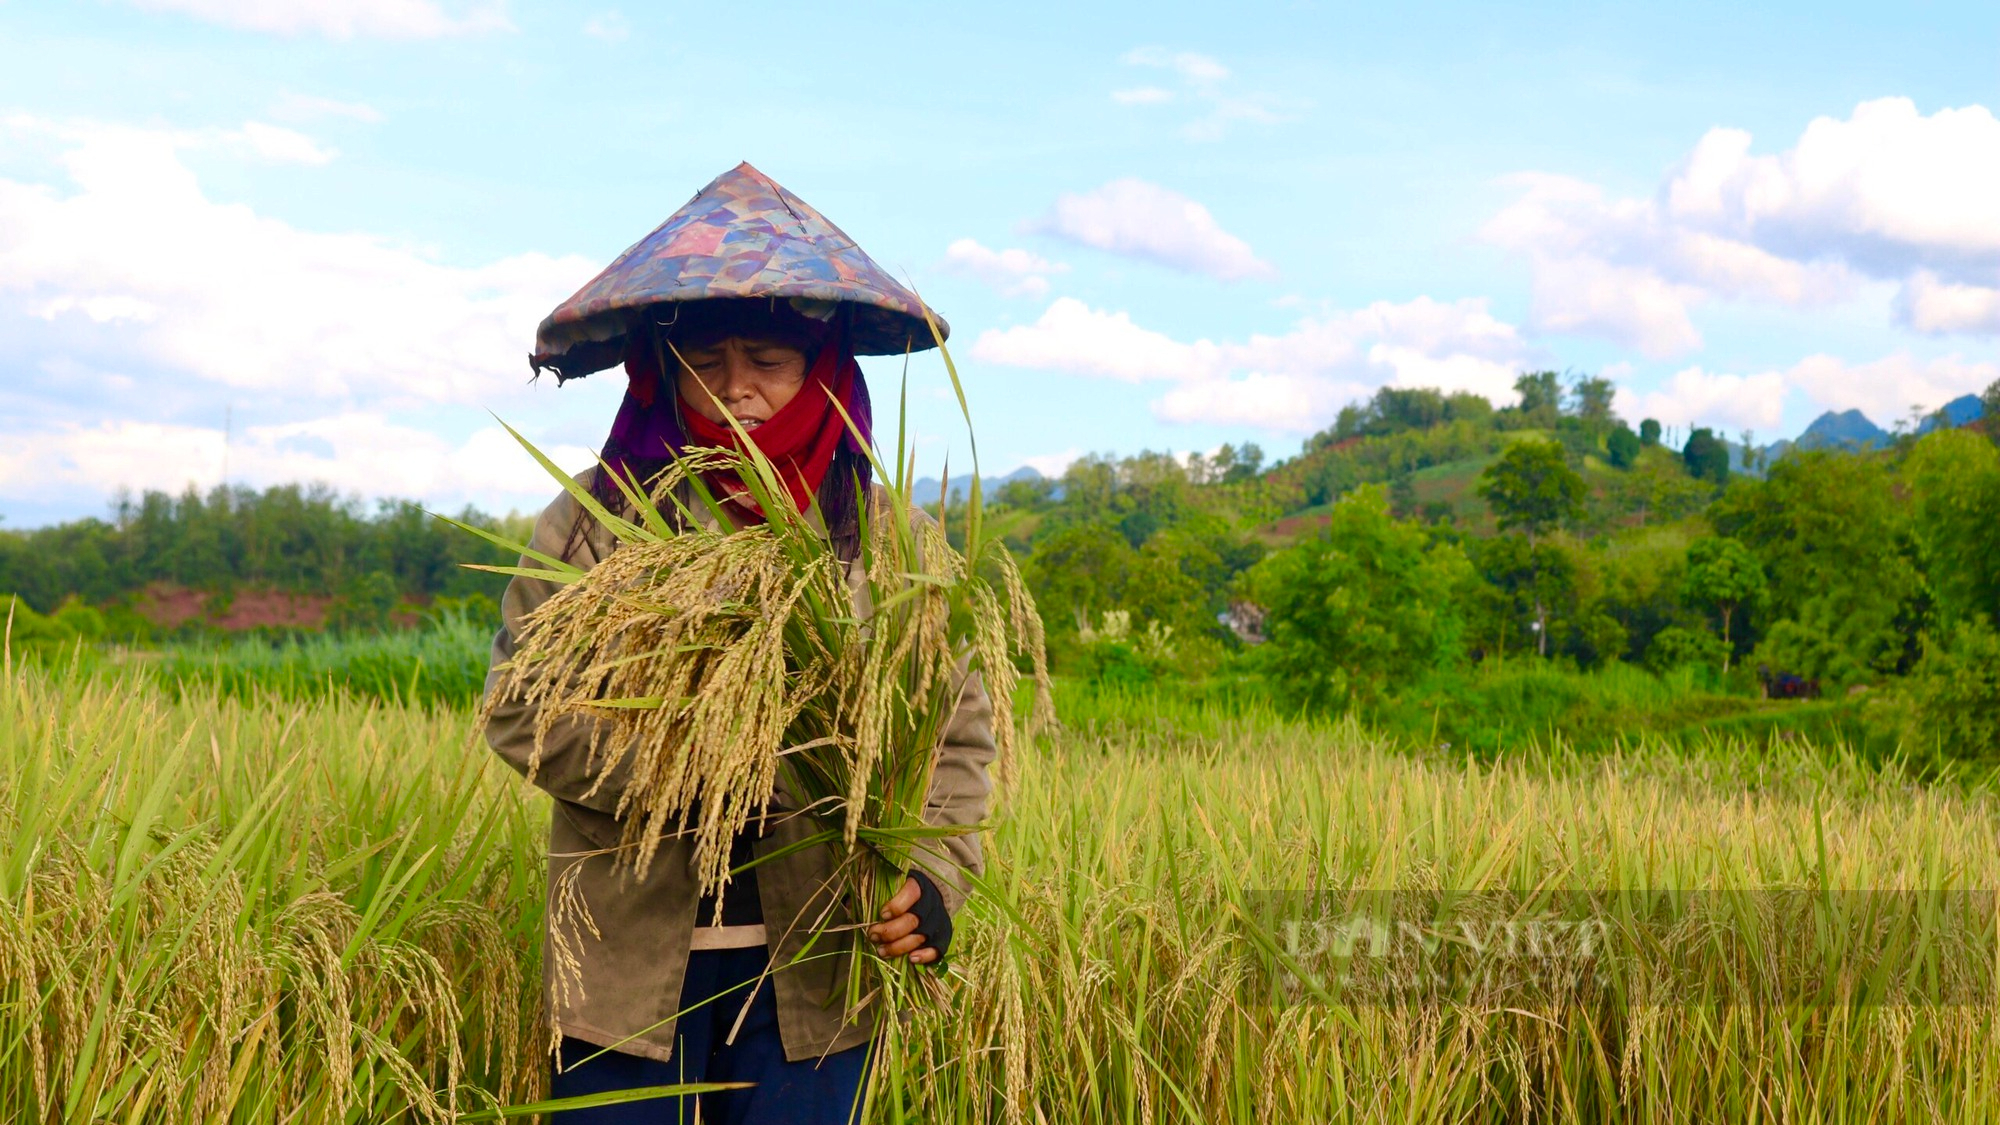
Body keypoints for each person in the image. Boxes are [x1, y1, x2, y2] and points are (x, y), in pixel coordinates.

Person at [484, 163, 996, 1124]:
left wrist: (938, 877)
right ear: (662, 369)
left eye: (767, 359)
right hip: (622, 982)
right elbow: (517, 710)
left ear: (822, 369)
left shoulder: (891, 544)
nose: (738, 391)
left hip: (816, 975)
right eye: (707, 363)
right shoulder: (592, 527)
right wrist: (697, 770)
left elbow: (958, 736)